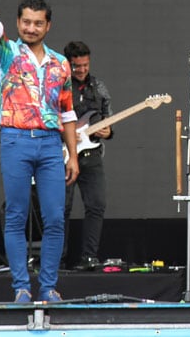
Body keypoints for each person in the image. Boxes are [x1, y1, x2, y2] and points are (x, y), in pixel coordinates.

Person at [0, 0, 79, 303]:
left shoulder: (62, 64)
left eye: (38, 23)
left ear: (48, 25)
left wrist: (73, 155)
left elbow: (67, 113)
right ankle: (20, 286)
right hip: (16, 139)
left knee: (55, 219)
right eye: (25, 22)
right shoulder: (6, 52)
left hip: (50, 145)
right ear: (17, 24)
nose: (30, 27)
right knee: (16, 216)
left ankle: (47, 287)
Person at [62, 41, 113, 271]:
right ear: (68, 64)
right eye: (76, 66)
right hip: (62, 153)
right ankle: (58, 258)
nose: (81, 70)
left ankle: (89, 257)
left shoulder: (99, 87)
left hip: (91, 152)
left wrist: (108, 131)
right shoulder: (60, 86)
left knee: (97, 204)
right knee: (61, 207)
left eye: (85, 65)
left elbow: (107, 116)